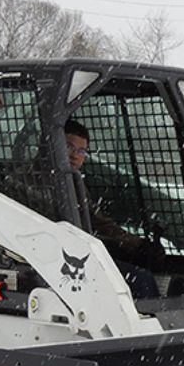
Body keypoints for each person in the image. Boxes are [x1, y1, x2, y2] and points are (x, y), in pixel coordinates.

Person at [64, 120, 161, 299]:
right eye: (69, 147)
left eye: (81, 151)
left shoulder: (75, 184)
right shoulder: (27, 181)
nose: (75, 156)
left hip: (77, 257)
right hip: (59, 264)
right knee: (140, 281)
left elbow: (98, 221)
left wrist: (136, 243)